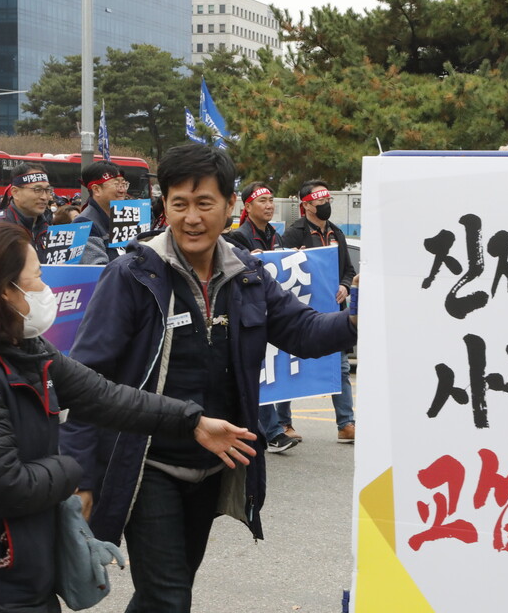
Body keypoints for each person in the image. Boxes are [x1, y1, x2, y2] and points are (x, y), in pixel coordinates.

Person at [59, 144, 358, 611]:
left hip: (213, 466)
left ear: (230, 207)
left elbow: (303, 330)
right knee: (168, 596)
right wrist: (80, 477)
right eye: (179, 204)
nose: (191, 218)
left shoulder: (250, 275)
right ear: (165, 208)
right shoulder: (131, 276)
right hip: (147, 464)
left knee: (169, 592)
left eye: (204, 204)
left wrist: (357, 319)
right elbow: (85, 379)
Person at [0, 222, 257, 613]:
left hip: (21, 571)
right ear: (1, 291)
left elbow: (103, 396)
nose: (45, 291)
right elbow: (7, 486)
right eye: (37, 278)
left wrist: (192, 421)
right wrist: (72, 468)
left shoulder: (24, 351)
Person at [283, 180, 357, 443]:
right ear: (306, 205)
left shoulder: (337, 233)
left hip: (333, 312)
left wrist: (344, 286)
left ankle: (346, 424)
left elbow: (348, 270)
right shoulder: (294, 233)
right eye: (319, 201)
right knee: (291, 367)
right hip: (301, 312)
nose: (325, 205)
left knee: (340, 368)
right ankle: (284, 424)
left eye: (327, 200)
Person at [226, 182, 298, 451]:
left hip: (273, 310)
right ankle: (273, 432)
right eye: (262, 201)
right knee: (260, 370)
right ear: (247, 206)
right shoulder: (238, 238)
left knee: (275, 369)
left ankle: (279, 425)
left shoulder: (275, 235)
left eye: (271, 200)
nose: (269, 205)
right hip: (250, 312)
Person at [0, 163, 52, 255]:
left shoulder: (48, 226)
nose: (44, 197)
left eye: (47, 190)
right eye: (37, 190)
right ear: (15, 192)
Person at [77, 160, 129, 265]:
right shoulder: (84, 224)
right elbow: (97, 269)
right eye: (117, 184)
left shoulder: (124, 218)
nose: (122, 190)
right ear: (96, 190)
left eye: (124, 184)